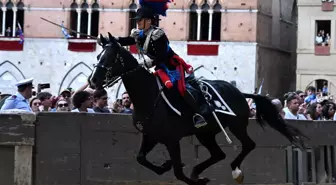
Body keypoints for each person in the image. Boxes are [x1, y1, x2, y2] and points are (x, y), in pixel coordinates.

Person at [108, 0, 207, 128]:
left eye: (140, 20)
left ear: (149, 21)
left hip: (171, 66)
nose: (137, 22)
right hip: (159, 67)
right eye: (137, 20)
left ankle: (197, 114)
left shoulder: (158, 35)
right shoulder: (140, 34)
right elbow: (128, 40)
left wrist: (146, 63)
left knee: (179, 88)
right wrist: (111, 40)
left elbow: (162, 56)